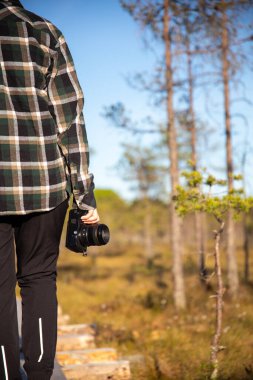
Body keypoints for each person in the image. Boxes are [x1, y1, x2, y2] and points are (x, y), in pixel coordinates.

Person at [0, 0, 99, 378]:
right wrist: (84, 192)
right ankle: (40, 375)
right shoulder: (44, 32)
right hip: (44, 182)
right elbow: (70, 119)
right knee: (39, 277)